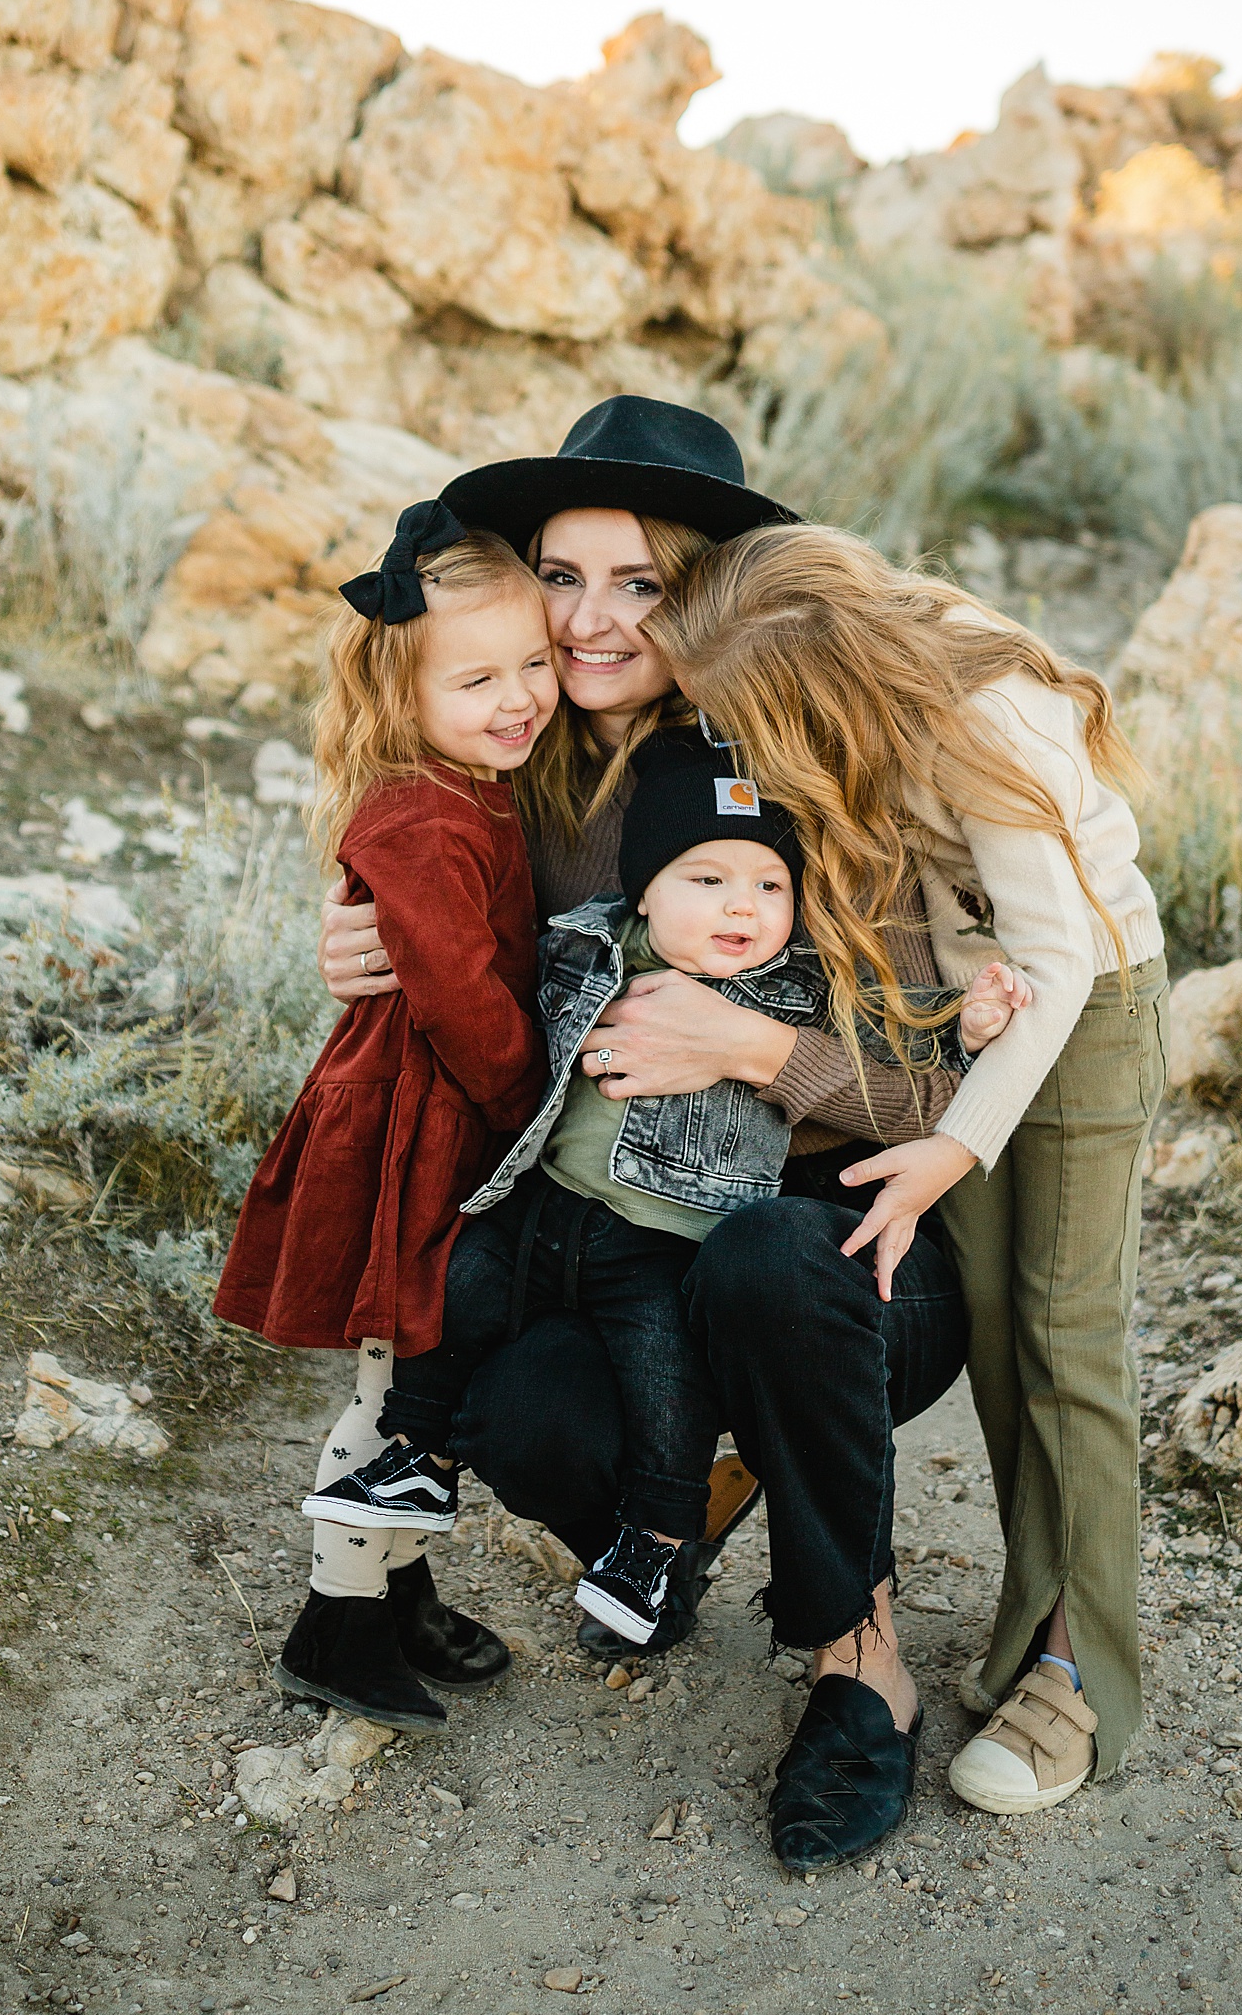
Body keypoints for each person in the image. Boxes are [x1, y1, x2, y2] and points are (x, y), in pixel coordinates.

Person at [315, 397, 979, 1870]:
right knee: (523, 1411)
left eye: (641, 582)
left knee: (760, 1259)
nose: (592, 622)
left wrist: (757, 1045)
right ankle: (690, 1503)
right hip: (628, 1252)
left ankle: (860, 1664)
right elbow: (410, 857)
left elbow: (945, 1105)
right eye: (561, 575)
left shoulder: (800, 777)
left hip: (851, 1263)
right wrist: (361, 932)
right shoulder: (525, 772)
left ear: (711, 592)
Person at [649, 520, 1168, 1817]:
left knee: (1068, 1338)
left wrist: (952, 1142)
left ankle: (1084, 1672)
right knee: (1001, 1335)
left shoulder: (987, 716)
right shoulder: (869, 717)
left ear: (818, 688)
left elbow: (1057, 959)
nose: (749, 755)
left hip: (1085, 1011)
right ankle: (1028, 1622)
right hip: (980, 1019)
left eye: (754, 725)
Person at [315, 736, 1024, 1645]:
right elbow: (474, 970)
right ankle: (418, 1457)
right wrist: (372, 932)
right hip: (553, 1212)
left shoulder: (800, 985)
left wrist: (965, 1028)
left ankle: (662, 1537)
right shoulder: (585, 940)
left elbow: (904, 1056)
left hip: (681, 1241)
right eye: (708, 881)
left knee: (662, 1383)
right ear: (644, 889)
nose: (744, 905)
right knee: (459, 1291)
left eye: (770, 886)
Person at [212, 509, 556, 1733]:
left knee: (424, 1365)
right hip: (422, 1121)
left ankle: (398, 1587)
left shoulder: (473, 782)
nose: (519, 699)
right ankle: (335, 1621)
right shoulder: (417, 815)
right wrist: (534, 1111)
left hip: (439, 1112)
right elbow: (463, 1001)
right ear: (400, 692)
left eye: (534, 665)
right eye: (478, 678)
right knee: (396, 1384)